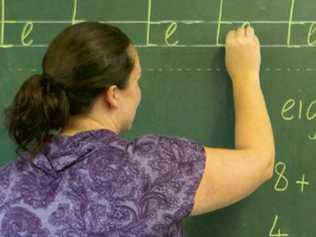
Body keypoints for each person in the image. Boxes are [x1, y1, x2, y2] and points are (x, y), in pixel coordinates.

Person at [0, 22, 274, 236]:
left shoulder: (7, 185)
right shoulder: (149, 168)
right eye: (136, 80)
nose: (139, 92)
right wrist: (245, 75)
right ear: (113, 94)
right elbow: (260, 163)